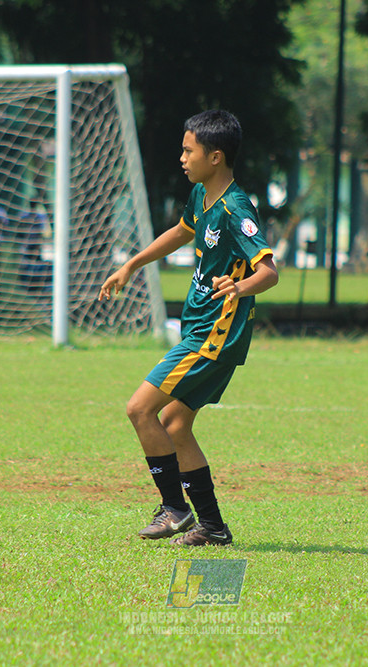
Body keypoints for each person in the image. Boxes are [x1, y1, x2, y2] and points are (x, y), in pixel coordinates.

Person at [99, 110, 278, 547]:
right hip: (200, 331)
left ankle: (175, 509)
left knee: (140, 409)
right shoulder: (201, 195)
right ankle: (213, 528)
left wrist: (240, 286)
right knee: (175, 426)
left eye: (188, 150)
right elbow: (181, 232)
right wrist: (131, 264)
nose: (181, 157)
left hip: (216, 336)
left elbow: (269, 272)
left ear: (215, 157)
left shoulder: (237, 208)